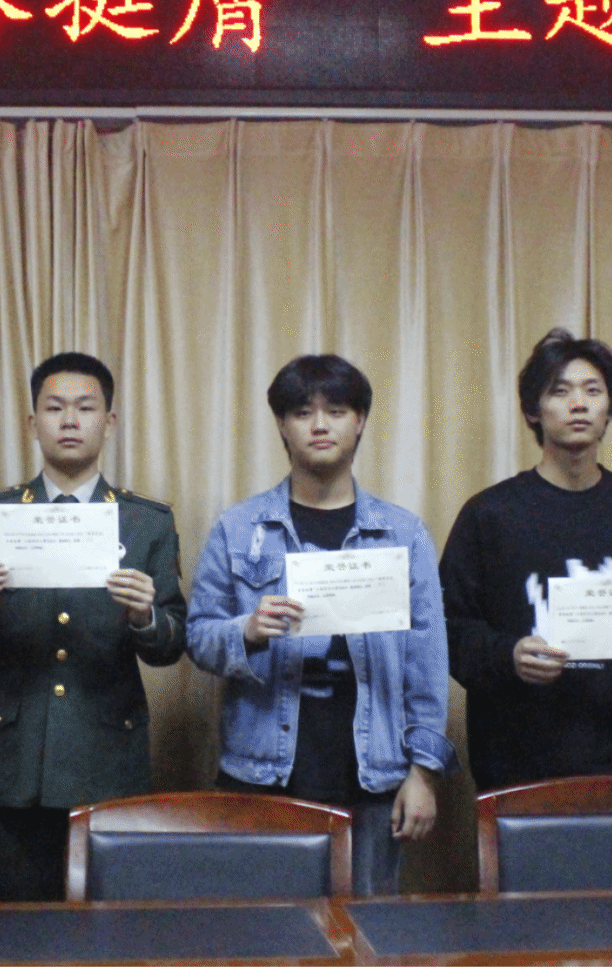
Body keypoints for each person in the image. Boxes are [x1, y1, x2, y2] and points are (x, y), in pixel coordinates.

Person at [187, 354, 453, 896]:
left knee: (368, 924)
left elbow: (427, 662)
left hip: (375, 769)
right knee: (267, 927)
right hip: (262, 768)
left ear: (360, 421)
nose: (320, 425)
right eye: (303, 412)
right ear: (282, 425)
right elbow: (198, 637)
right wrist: (247, 631)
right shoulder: (238, 527)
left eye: (336, 411)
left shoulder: (402, 533)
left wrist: (423, 773)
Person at [0, 351, 185, 901]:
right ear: (32, 423)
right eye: (54, 408)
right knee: (18, 919)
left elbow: (171, 644)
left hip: (107, 748)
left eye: (85, 407)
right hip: (17, 754)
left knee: (107, 921)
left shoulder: (146, 521)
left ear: (109, 422)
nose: (70, 420)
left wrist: (145, 616)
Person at [441, 329, 612, 790]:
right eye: (560, 391)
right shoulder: (489, 514)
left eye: (593, 391)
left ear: (610, 407)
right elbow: (447, 628)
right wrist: (508, 655)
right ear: (533, 410)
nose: (579, 404)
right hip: (511, 764)